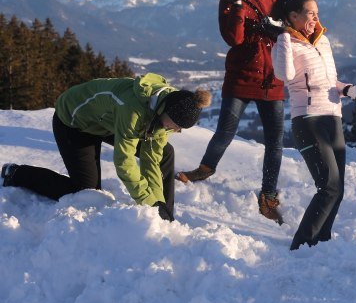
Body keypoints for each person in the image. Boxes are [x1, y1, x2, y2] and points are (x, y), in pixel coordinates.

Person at [1, 73, 211, 222]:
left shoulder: (172, 109)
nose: (173, 130)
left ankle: (164, 214)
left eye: (177, 129)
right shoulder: (132, 108)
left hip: (105, 122)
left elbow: (152, 160)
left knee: (165, 153)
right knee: (85, 192)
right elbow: (124, 161)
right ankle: (17, 173)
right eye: (173, 125)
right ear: (165, 111)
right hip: (74, 122)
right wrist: (146, 199)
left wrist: (156, 203)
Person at [176, 0, 286, 224]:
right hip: (240, 76)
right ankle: (206, 168)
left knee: (275, 142)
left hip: (271, 78)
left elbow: (285, 29)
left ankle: (269, 195)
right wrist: (237, 3)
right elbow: (234, 38)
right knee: (225, 131)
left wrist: (277, 29)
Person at [270, 0, 356, 250]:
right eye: (310, 13)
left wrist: (348, 89)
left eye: (316, 12)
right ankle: (302, 246)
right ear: (293, 17)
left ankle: (320, 244)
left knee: (338, 188)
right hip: (308, 119)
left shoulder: (323, 42)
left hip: (333, 117)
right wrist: (283, 38)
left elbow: (329, 81)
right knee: (329, 186)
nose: (316, 18)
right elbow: (284, 74)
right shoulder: (284, 43)